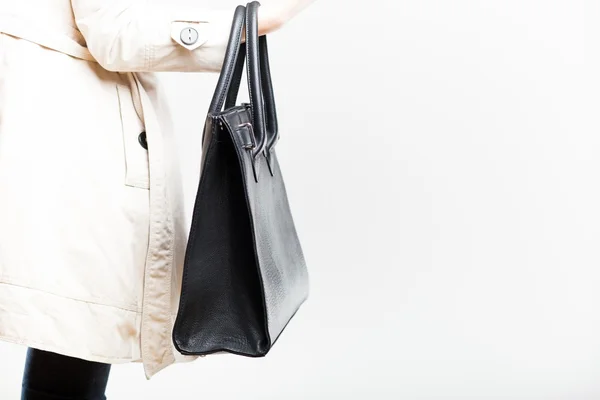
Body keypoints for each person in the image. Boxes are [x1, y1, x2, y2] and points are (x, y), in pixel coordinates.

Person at [0, 0, 317, 398]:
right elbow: (114, 34)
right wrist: (260, 19)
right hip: (71, 145)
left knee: (71, 338)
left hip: (50, 136)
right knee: (73, 344)